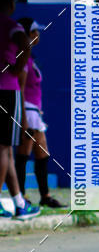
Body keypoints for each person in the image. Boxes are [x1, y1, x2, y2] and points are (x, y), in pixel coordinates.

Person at [0, 0, 40, 219]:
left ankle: (19, 203)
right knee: (4, 148)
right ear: (9, 3)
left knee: (5, 151)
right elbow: (25, 44)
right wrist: (17, 68)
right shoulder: (11, 25)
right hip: (6, 89)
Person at [15, 17, 63, 208]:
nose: (37, 35)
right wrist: (24, 120)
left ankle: (45, 196)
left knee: (42, 153)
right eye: (34, 32)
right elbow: (20, 88)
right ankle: (21, 196)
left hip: (35, 113)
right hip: (27, 112)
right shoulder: (22, 58)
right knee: (23, 154)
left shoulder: (30, 59)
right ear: (25, 34)